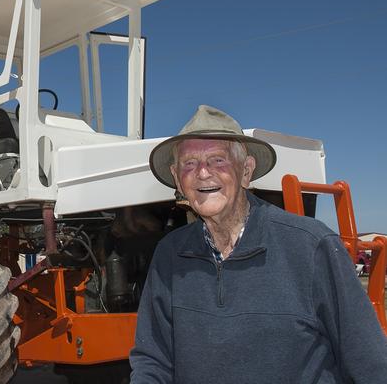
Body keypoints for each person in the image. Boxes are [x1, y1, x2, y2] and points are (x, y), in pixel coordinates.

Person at [130, 105, 387, 383]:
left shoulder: (312, 247)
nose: (203, 173)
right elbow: (153, 360)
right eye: (189, 163)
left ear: (246, 171)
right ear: (177, 176)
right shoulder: (169, 253)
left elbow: (369, 363)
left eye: (218, 160)